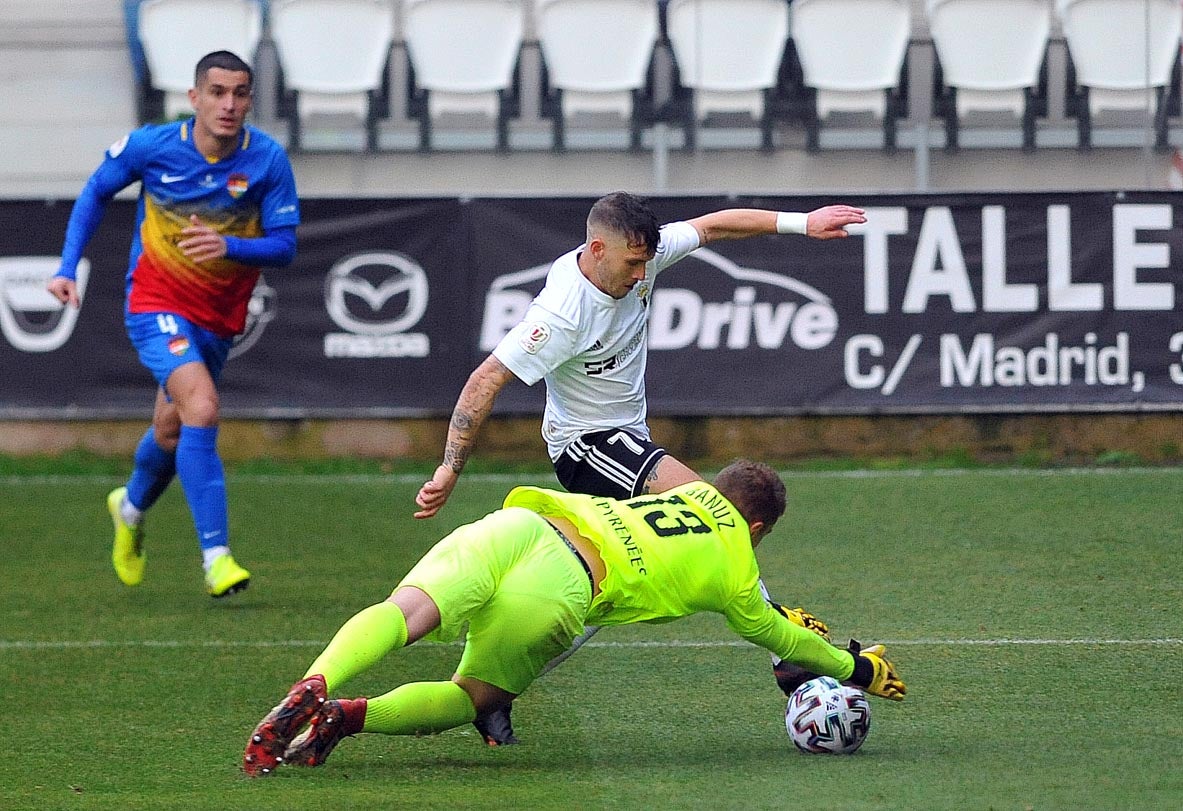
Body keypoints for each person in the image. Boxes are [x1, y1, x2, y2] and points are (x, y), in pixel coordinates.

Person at [414, 191, 866, 742]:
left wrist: (803, 222)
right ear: (597, 249)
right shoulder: (561, 313)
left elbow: (714, 226)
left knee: (595, 596)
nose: (641, 274)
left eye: (646, 262)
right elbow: (486, 379)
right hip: (584, 445)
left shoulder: (640, 256)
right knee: (710, 508)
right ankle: (786, 653)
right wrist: (448, 469)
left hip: (628, 438)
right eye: (632, 264)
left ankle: (494, 692)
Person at [243, 460, 905, 776]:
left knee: (404, 611)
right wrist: (858, 666)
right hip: (563, 584)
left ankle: (314, 683)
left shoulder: (686, 488)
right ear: (756, 526)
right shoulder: (736, 562)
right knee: (475, 695)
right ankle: (347, 717)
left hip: (520, 524)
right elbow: (781, 635)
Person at [47, 51, 300, 598]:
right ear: (194, 98)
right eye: (216, 92)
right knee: (204, 408)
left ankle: (130, 509)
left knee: (172, 427)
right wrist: (67, 266)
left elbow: (284, 247)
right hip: (154, 301)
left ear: (249, 99)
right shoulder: (153, 147)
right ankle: (217, 558)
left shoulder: (267, 161)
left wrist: (228, 245)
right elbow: (95, 191)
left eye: (239, 93)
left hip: (219, 317)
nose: (228, 104)